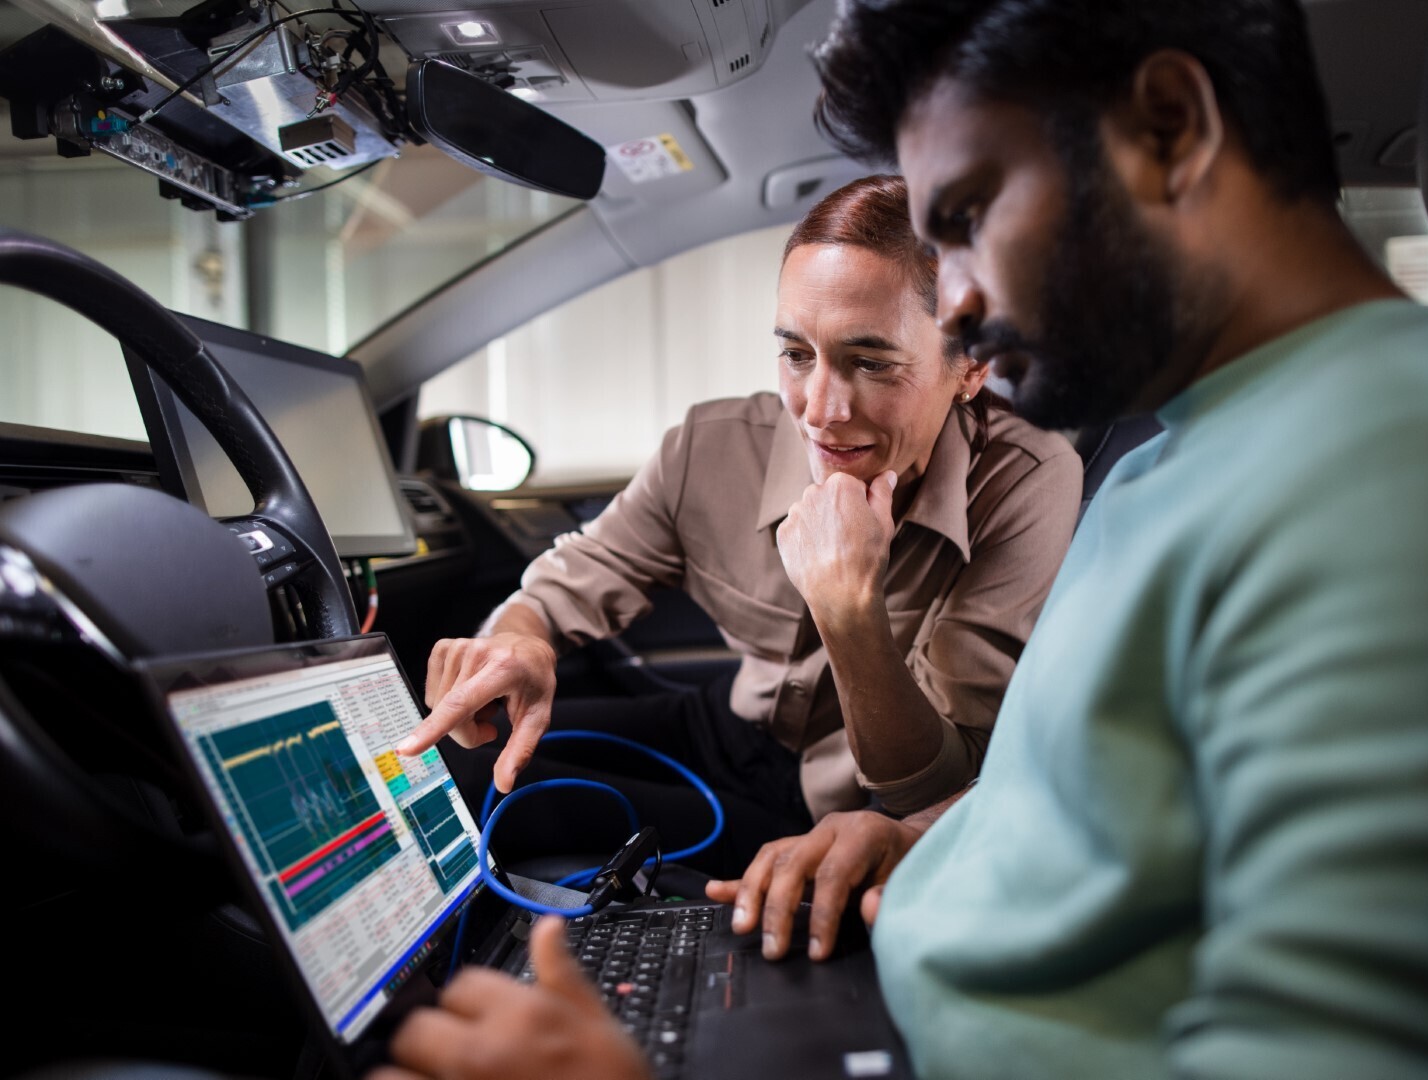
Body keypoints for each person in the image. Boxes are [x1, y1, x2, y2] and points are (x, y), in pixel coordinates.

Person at [371, 1, 1428, 1078]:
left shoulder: (1407, 465)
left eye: (970, 219)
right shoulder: (1175, 463)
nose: (962, 308)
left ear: (1169, 129)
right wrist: (912, 837)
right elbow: (1063, 804)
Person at [397, 174, 1081, 873]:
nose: (820, 409)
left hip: (845, 814)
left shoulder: (1026, 481)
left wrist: (847, 610)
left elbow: (928, 787)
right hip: (725, 726)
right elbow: (572, 580)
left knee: (508, 805)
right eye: (796, 354)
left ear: (971, 368)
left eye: (870, 362)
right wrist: (519, 640)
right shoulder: (712, 445)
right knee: (446, 762)